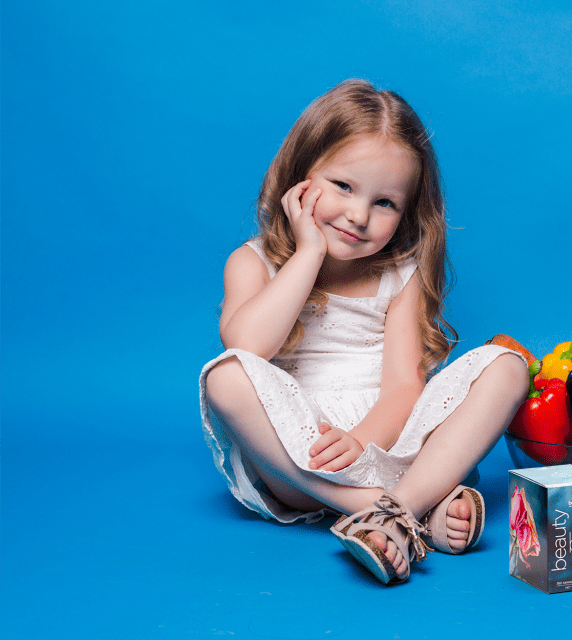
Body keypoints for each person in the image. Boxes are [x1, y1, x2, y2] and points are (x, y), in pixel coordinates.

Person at [198, 79, 529, 585]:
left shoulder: (401, 273)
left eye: (385, 203)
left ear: (408, 211)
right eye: (343, 187)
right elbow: (247, 347)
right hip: (304, 461)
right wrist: (307, 252)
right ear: (299, 177)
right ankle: (401, 509)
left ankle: (398, 510)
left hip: (390, 439)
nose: (358, 216)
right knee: (224, 376)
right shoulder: (253, 261)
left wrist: (363, 441)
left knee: (507, 366)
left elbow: (402, 385)